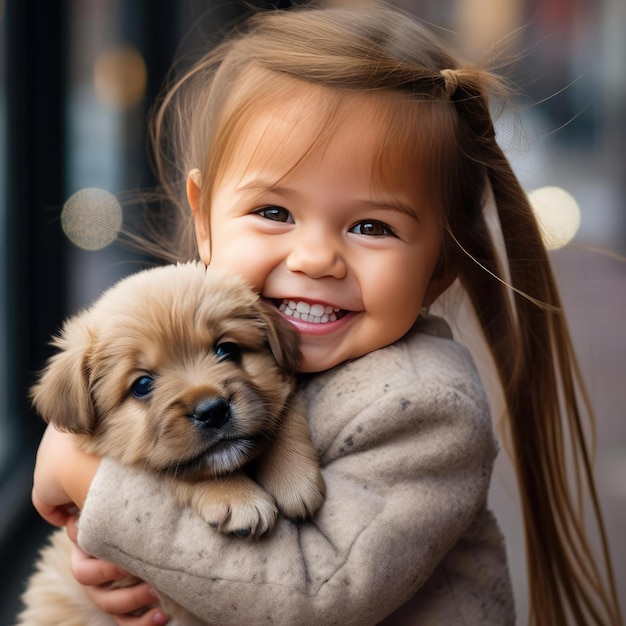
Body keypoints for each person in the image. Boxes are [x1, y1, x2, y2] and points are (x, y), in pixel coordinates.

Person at [31, 4, 622, 625]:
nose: (315, 259)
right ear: (203, 220)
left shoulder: (425, 406)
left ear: (440, 267)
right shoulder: (192, 322)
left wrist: (88, 477)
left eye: (371, 226)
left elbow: (310, 599)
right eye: (275, 213)